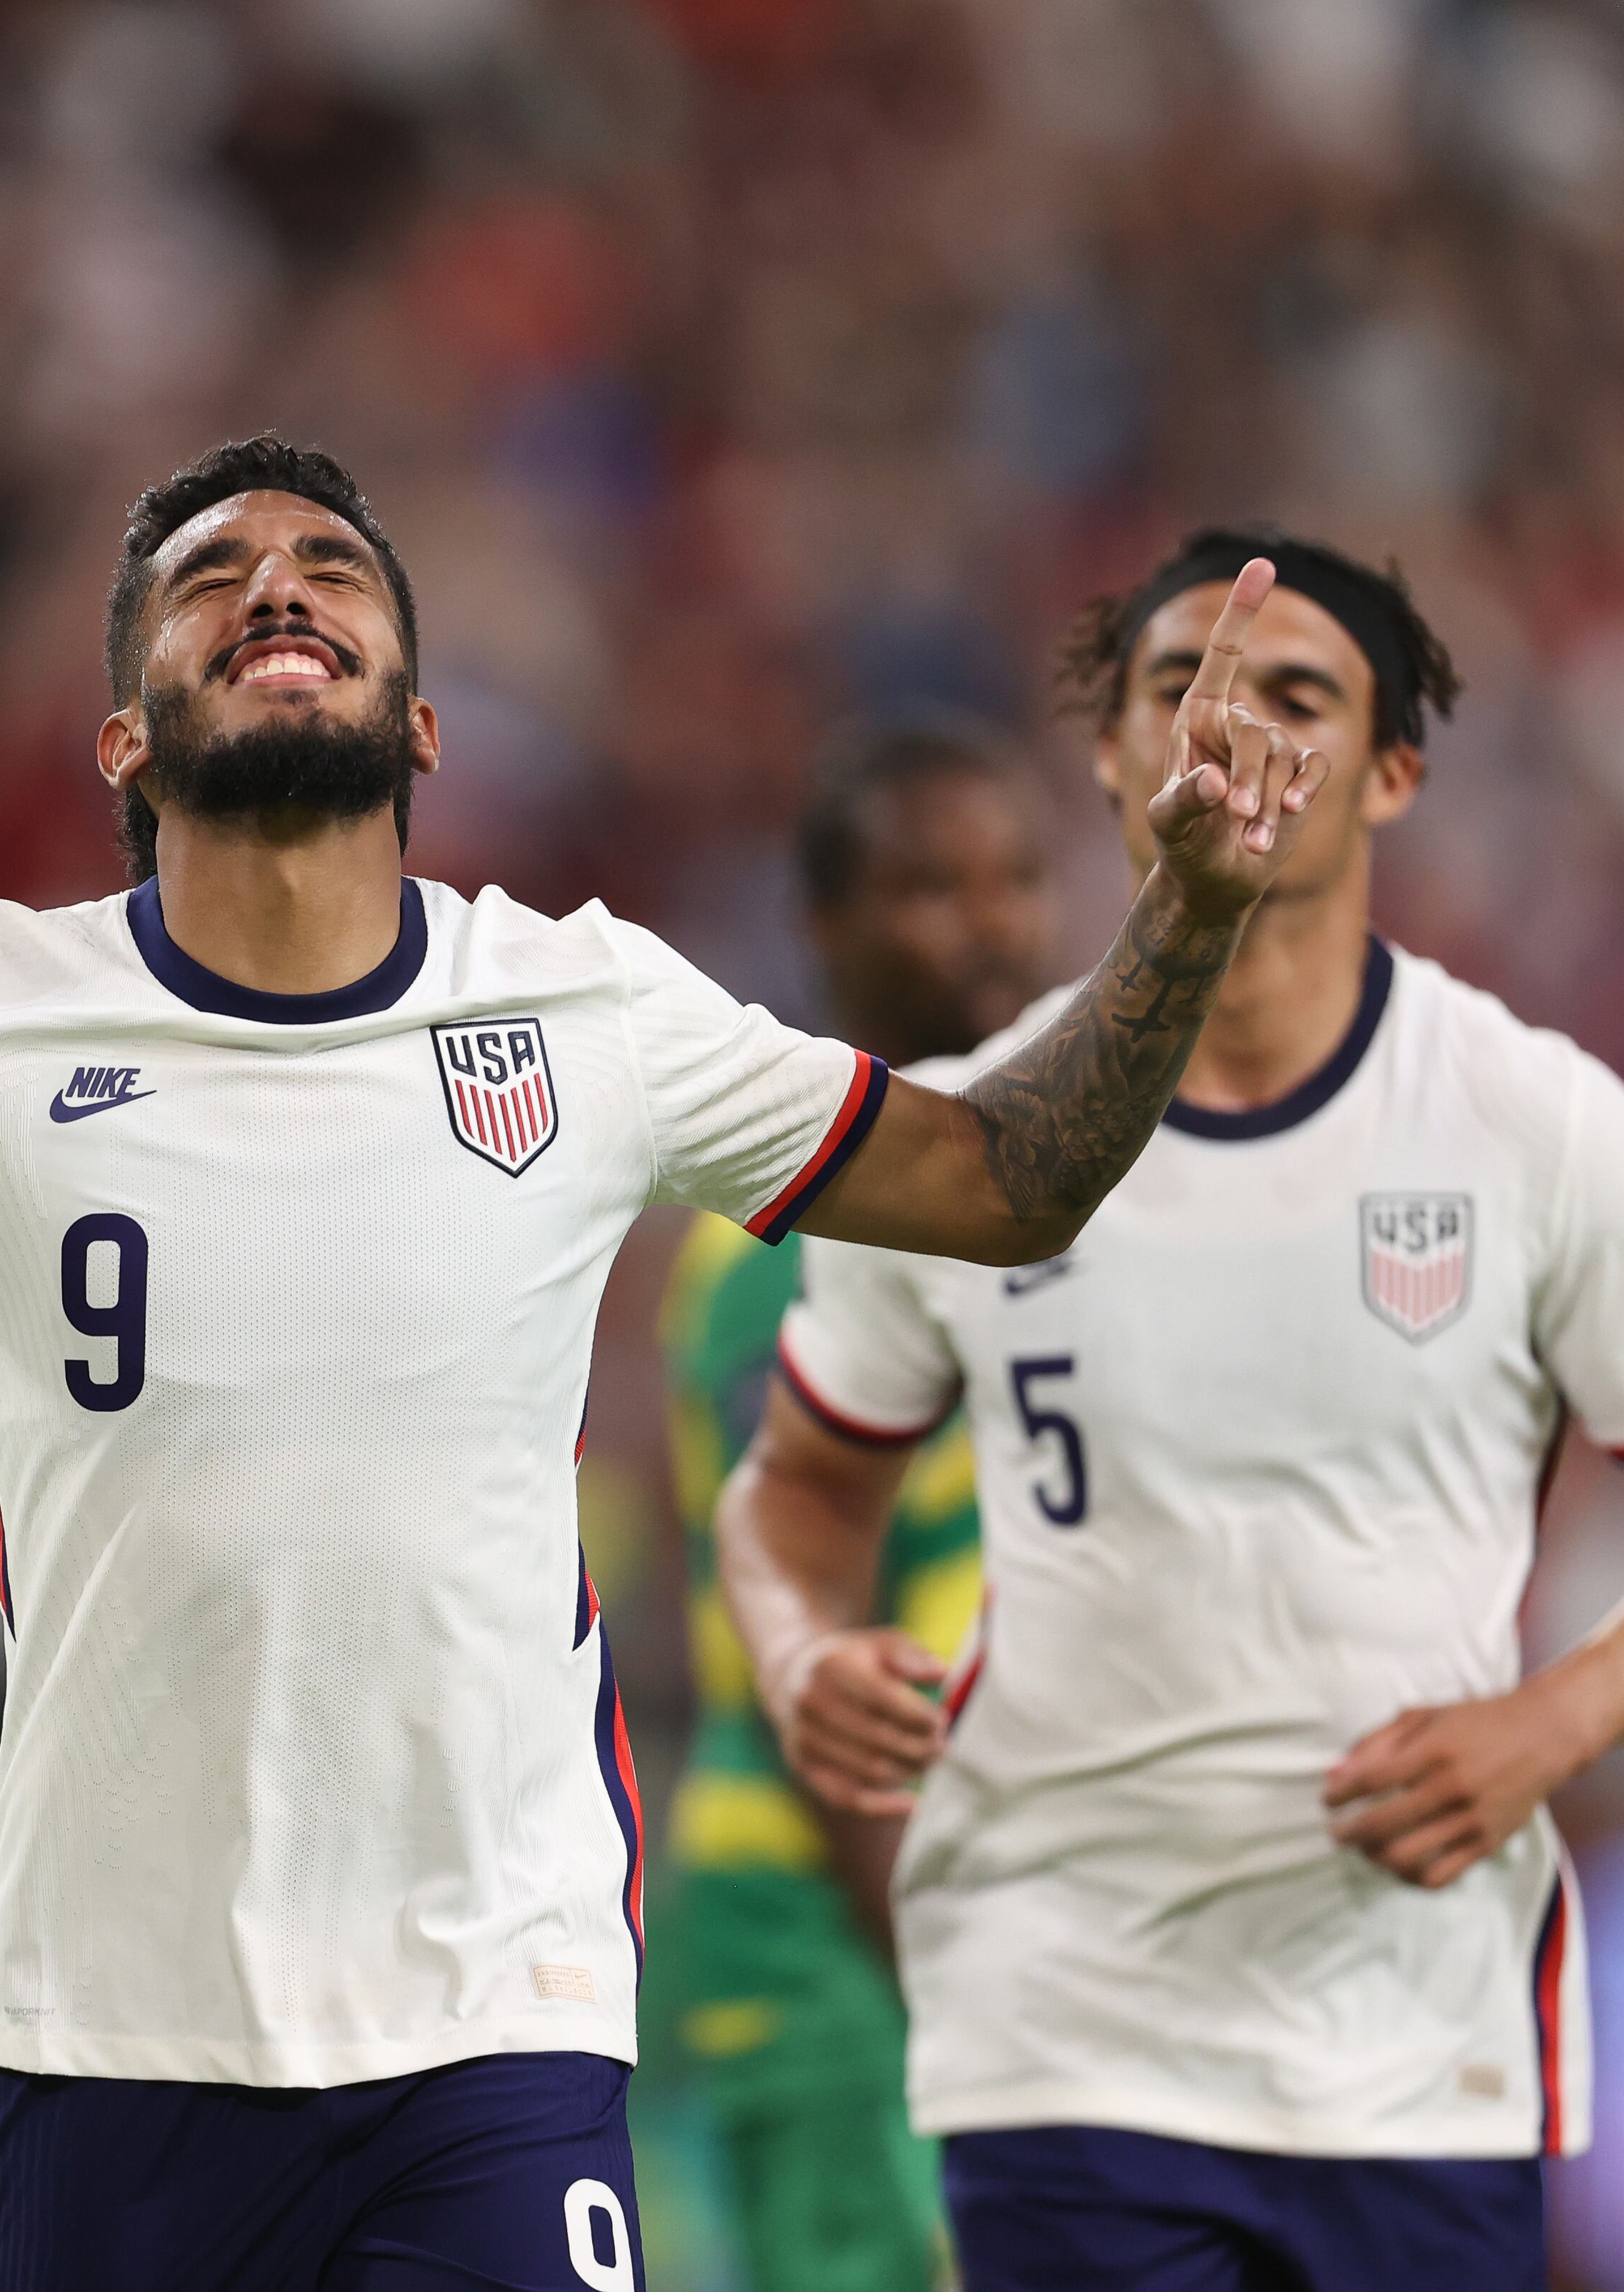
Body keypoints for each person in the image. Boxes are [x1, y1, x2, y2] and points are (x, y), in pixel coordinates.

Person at [0, 435, 1323, 2292]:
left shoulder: (585, 1002)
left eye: (332, 568)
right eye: (216, 575)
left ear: (423, 717)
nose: (280, 588)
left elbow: (1002, 1179)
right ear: (122, 726)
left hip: (493, 2029)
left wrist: (1187, 911)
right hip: (107, 2035)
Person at [718, 527, 1624, 2292]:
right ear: (1109, 757)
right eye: (1184, 687)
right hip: (1060, 2011)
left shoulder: (1529, 1121)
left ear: (1392, 773)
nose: (1234, 727)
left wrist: (1551, 1723)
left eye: (1296, 693)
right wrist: (797, 1650)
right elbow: (793, 1494)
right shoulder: (964, 1134)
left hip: (1416, 2029)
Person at [663, 726, 1056, 2292]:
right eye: (923, 883)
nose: (988, 920)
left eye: (1014, 876)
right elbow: (818, 1633)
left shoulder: (1016, 1208)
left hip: (962, 1917)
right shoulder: (786, 1239)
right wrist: (961, 2003)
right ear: (822, 927)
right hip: (836, 1932)